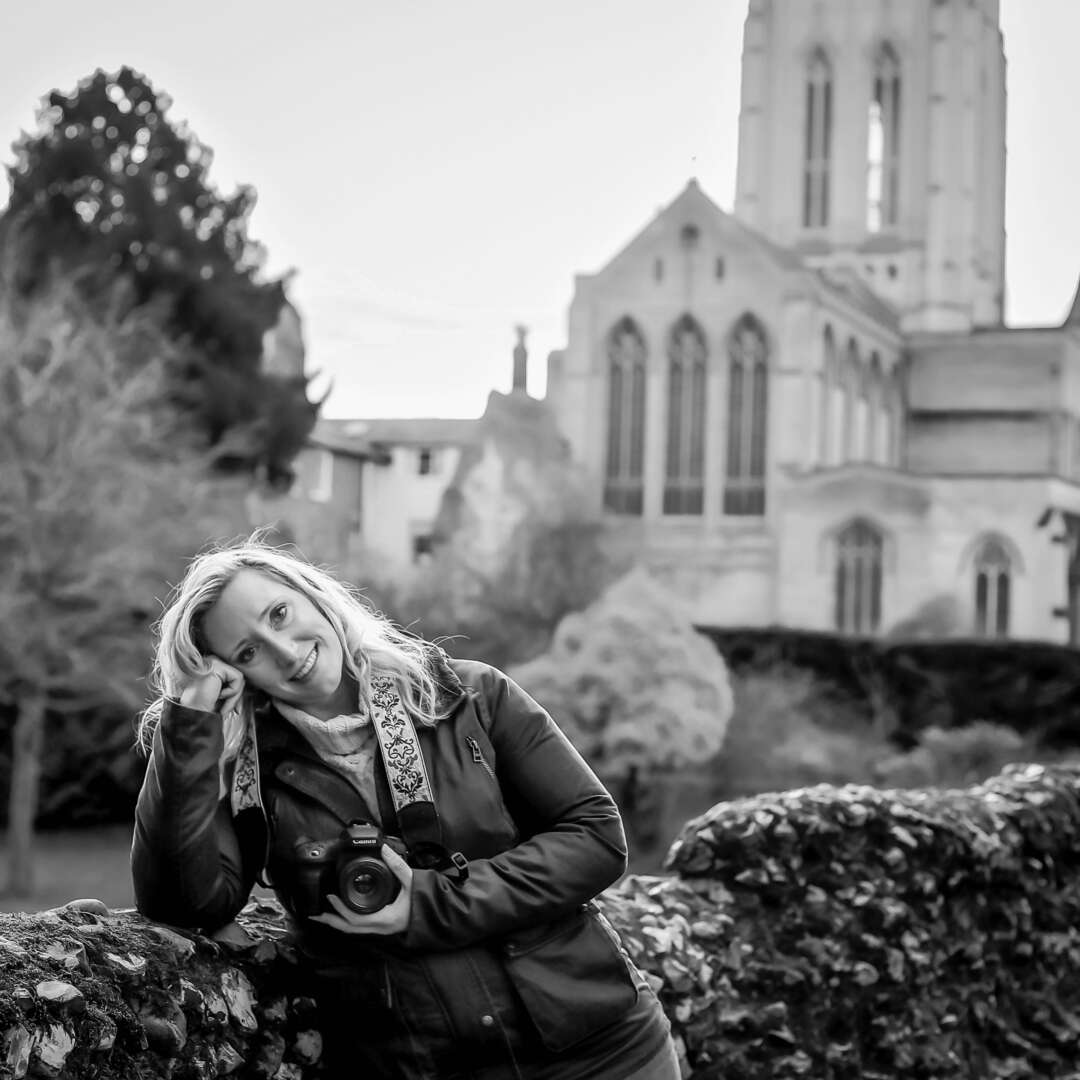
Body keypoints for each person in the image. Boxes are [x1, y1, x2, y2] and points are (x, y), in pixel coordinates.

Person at [132, 539, 681, 1080]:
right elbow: (184, 906)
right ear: (235, 675)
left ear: (314, 597)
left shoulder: (468, 696)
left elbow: (595, 836)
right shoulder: (247, 772)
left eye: (279, 614)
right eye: (248, 653)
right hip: (424, 1065)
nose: (287, 652)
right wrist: (188, 727)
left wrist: (431, 903)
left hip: (603, 1050)